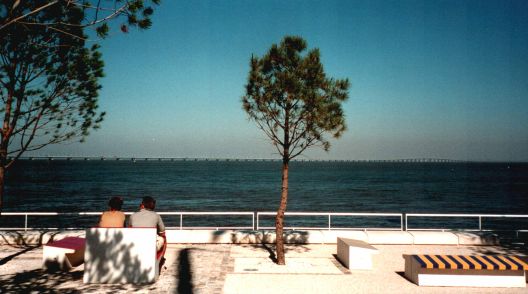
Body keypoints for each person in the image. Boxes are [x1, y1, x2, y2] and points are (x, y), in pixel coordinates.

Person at [129, 196, 166, 261]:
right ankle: (161, 259)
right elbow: (162, 233)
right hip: (150, 246)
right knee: (163, 238)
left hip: (135, 245)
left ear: (142, 205)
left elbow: (129, 230)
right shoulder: (156, 215)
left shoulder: (132, 216)